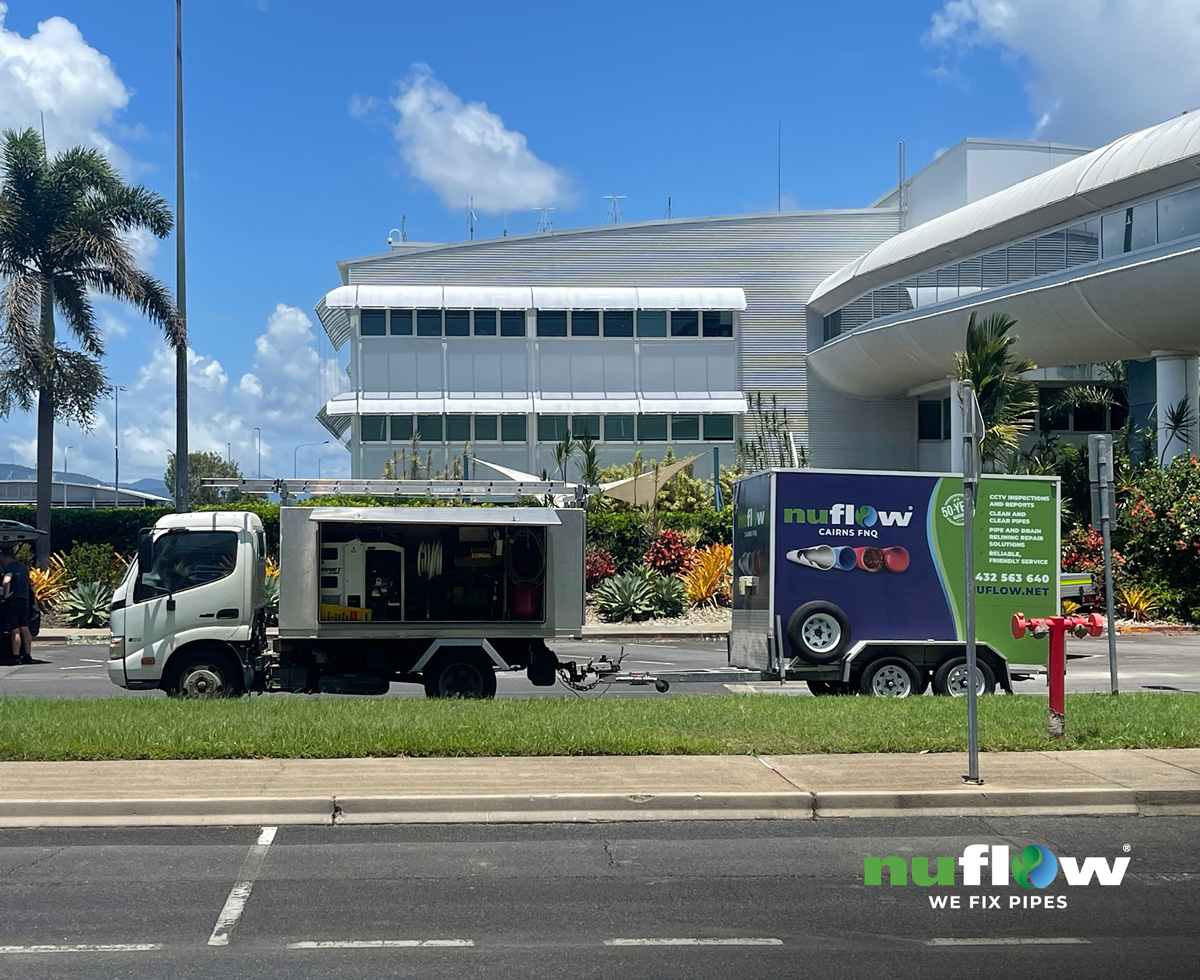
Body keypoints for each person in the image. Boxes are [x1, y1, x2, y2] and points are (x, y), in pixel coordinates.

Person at [1, 547, 33, 663]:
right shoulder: (24, 568)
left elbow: (6, 581)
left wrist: (6, 595)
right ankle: (27, 655)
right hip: (25, 601)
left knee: (15, 630)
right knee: (24, 628)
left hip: (13, 601)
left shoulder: (10, 568)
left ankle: (15, 655)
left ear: (5, 557)